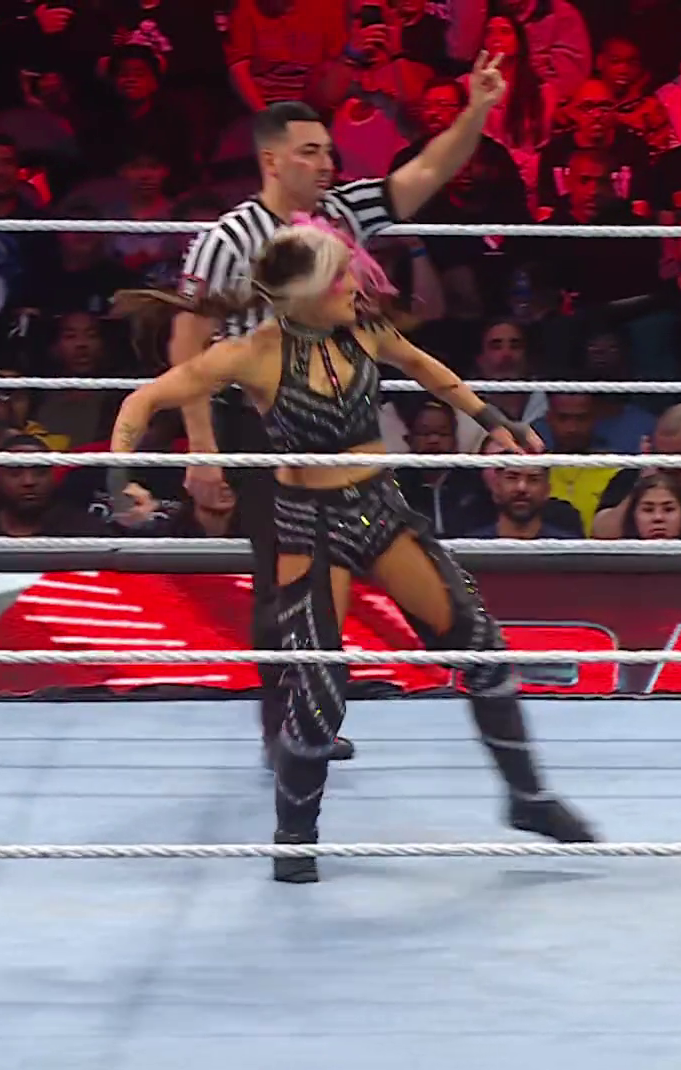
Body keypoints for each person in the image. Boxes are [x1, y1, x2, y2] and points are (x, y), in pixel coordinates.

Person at [111, 219, 597, 884]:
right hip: (308, 524)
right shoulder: (253, 353)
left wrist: (494, 420)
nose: (355, 283)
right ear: (306, 292)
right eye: (341, 276)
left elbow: (425, 368)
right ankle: (294, 834)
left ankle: (528, 797)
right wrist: (118, 477)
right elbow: (143, 400)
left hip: (379, 508)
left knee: (480, 644)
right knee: (319, 685)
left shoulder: (365, 331)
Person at [170, 54, 511, 766]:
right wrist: (203, 449)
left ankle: (316, 711)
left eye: (329, 151)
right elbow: (187, 343)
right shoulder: (229, 238)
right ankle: (287, 729)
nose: (326, 163)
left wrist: (478, 109)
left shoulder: (345, 211)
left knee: (345, 563)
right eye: (310, 152)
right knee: (285, 572)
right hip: (258, 419)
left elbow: (425, 172)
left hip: (340, 414)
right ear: (271, 160)